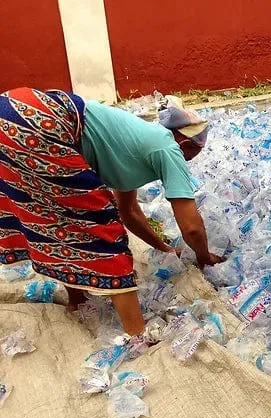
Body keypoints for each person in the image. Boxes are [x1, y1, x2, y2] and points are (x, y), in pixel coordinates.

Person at [0, 87, 223, 337]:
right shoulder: (168, 149)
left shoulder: (139, 141)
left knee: (58, 219)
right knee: (101, 226)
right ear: (184, 143)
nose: (191, 159)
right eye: (196, 151)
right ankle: (138, 335)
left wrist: (164, 248)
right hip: (38, 121)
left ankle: (79, 300)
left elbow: (129, 211)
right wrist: (204, 257)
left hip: (12, 113)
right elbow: (191, 227)